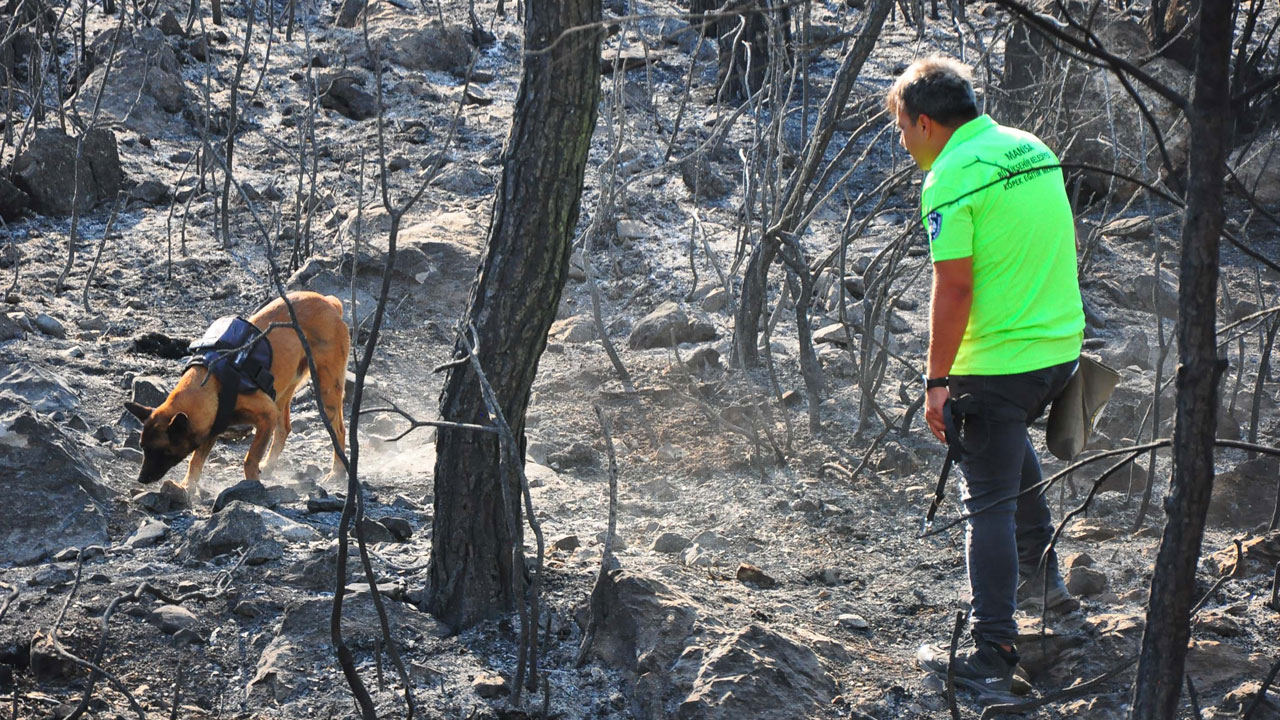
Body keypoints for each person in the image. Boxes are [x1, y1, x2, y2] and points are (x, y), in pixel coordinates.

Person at [885, 57, 1085, 697]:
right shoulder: (1031, 149)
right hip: (1061, 351)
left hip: (998, 364)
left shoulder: (951, 176)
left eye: (901, 127)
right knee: (1007, 454)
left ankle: (994, 651)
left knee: (986, 502)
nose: (902, 141)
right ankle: (1045, 583)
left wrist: (935, 380)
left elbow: (956, 285)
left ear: (925, 123)